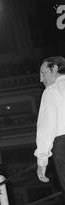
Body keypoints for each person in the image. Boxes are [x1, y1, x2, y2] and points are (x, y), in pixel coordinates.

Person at [34, 56, 65, 192]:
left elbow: (46, 128)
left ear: (55, 68)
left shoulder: (51, 91)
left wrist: (42, 160)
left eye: (43, 73)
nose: (41, 79)